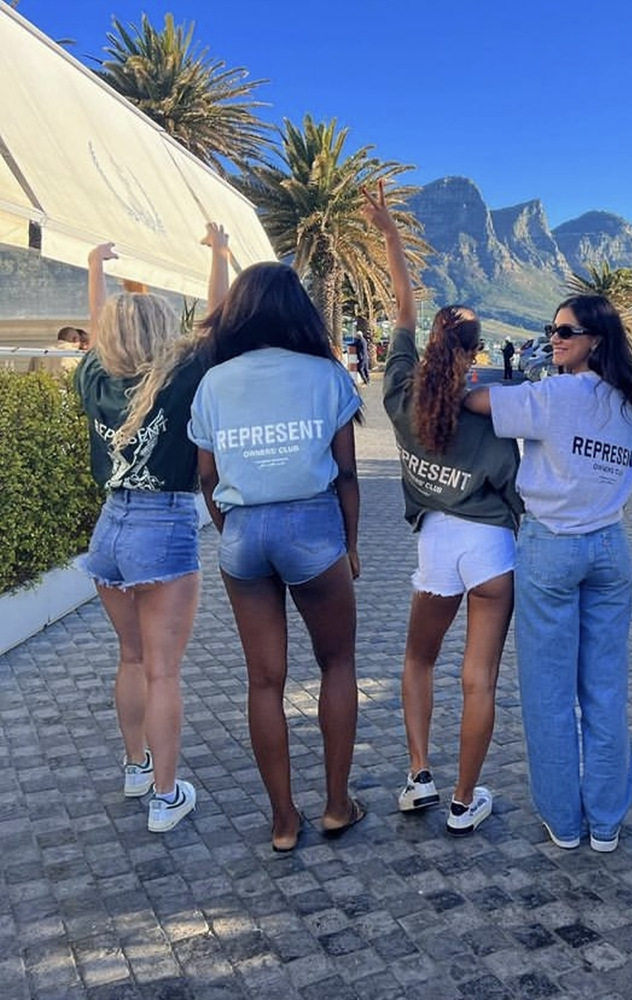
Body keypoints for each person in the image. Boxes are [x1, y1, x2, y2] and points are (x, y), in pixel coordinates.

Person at [188, 252, 364, 853]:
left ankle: (283, 821)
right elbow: (346, 473)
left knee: (264, 681)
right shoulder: (326, 375)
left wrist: (228, 528)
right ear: (298, 312)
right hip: (312, 528)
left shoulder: (214, 382)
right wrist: (350, 544)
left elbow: (207, 476)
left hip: (243, 534)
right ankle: (337, 805)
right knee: (336, 664)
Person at [363, 181, 521, 836]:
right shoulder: (493, 411)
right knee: (479, 679)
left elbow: (402, 305)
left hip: (436, 548)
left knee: (417, 660)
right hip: (492, 551)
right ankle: (463, 801)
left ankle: (419, 773)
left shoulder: (402, 395)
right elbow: (517, 488)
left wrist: (389, 234)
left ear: (429, 343)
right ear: (477, 351)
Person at [465, 294, 632, 853]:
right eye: (553, 328)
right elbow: (631, 480)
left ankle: (565, 821)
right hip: (611, 547)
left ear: (596, 339)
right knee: (605, 689)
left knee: (548, 692)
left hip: (551, 546)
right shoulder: (626, 407)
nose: (555, 338)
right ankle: (607, 821)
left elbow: (478, 402)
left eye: (567, 331)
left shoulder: (554, 394)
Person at [75, 227, 225, 833]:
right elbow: (217, 320)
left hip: (109, 527)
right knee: (164, 670)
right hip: (162, 526)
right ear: (163, 331)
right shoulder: (181, 376)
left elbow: (97, 328)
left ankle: (136, 767)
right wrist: (218, 253)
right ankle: (166, 797)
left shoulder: (95, 377)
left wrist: (95, 267)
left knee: (131, 657)